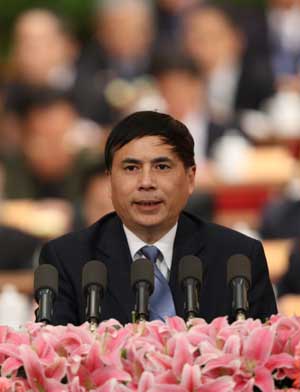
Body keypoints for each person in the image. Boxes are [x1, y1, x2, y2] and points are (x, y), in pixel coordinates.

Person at [38, 111, 277, 326]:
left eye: (161, 167)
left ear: (191, 178)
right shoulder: (67, 259)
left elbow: (266, 362)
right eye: (131, 168)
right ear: (110, 181)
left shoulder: (238, 258)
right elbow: (56, 358)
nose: (146, 182)